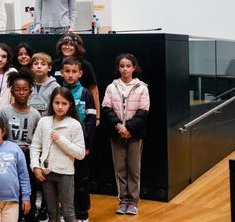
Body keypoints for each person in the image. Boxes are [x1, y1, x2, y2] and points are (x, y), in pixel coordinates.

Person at [102, 54, 150, 216]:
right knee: (120, 168)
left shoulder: (142, 87)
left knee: (134, 169)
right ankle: (123, 200)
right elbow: (106, 108)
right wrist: (119, 126)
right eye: (122, 66)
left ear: (134, 68)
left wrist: (128, 128)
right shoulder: (111, 87)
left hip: (134, 135)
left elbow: (143, 112)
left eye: (128, 66)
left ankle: (133, 201)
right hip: (116, 134)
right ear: (118, 68)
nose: (125, 69)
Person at [30, 88, 85, 222]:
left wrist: (60, 140)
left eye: (64, 103)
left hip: (65, 174)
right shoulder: (44, 121)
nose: (60, 107)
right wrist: (35, 167)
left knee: (68, 211)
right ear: (52, 103)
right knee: (52, 211)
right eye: (57, 103)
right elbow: (35, 146)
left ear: (70, 104)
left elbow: (80, 153)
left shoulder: (74, 125)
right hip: (46, 173)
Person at [0, 70, 41, 222]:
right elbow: (0, 136)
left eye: (25, 89)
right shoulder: (5, 111)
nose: (21, 93)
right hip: (10, 157)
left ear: (30, 91)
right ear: (12, 91)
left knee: (29, 189)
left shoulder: (36, 114)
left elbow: (38, 140)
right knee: (11, 190)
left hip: (28, 157)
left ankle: (29, 217)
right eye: (17, 89)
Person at [60, 57, 96, 222]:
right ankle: (66, 212)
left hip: (80, 144)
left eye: (74, 72)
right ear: (62, 73)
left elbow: (90, 121)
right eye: (67, 71)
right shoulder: (59, 91)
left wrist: (87, 145)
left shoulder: (86, 93)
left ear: (80, 73)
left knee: (81, 180)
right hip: (61, 144)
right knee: (64, 180)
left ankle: (82, 213)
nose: (70, 75)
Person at [52, 33, 100, 124]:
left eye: (71, 44)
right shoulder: (54, 64)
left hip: (80, 112)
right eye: (65, 44)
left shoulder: (85, 65)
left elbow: (94, 90)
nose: (67, 47)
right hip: (59, 111)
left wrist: (97, 116)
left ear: (76, 47)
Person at [28, 52, 58, 117]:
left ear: (49, 68)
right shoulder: (27, 84)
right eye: (35, 64)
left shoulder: (55, 87)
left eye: (43, 64)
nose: (39, 66)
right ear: (31, 68)